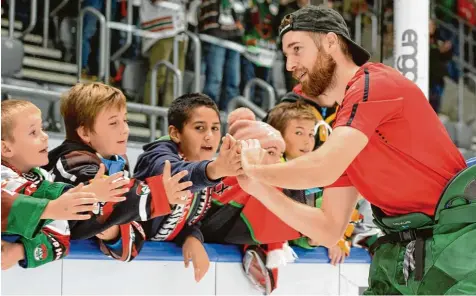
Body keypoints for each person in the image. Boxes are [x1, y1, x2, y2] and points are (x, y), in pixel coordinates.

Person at [236, 5, 475, 295]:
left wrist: (256, 170)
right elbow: (328, 230)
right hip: (407, 254)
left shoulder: (373, 84)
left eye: (297, 49)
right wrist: (258, 187)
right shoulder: (346, 132)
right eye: (286, 55)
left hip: (455, 250)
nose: (289, 65)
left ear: (331, 42)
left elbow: (322, 168)